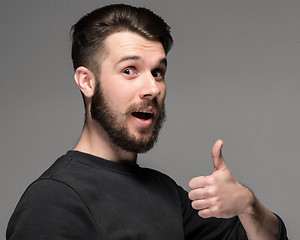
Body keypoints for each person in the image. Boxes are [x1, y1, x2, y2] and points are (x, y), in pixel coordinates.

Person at [6, 4, 288, 240]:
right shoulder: (52, 201)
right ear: (87, 81)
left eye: (158, 72)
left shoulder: (166, 194)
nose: (152, 88)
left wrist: (248, 205)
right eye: (129, 70)